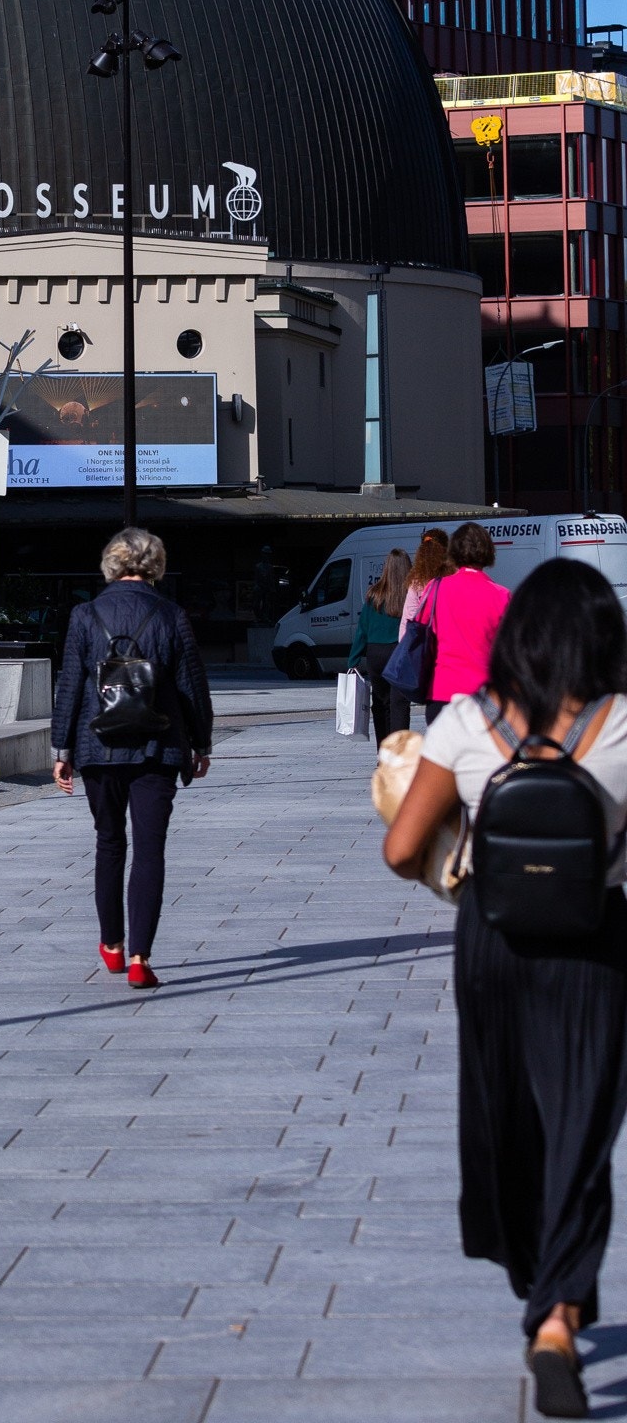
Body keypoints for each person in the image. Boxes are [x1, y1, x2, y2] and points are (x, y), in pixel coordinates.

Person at [383, 560, 627, 1418]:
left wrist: (457, 861)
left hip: (490, 940)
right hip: (594, 944)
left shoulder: (468, 721)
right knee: (582, 1122)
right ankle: (557, 1314)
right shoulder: (624, 724)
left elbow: (400, 848)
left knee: (507, 1119)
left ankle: (541, 1281)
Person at [51, 526, 214, 990]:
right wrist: (201, 743)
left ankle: (112, 946)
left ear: (112, 564)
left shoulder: (85, 615)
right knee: (150, 849)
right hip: (157, 747)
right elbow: (191, 687)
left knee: (108, 842)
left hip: (96, 748)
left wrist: (61, 749)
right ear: (155, 565)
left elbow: (69, 687)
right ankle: (142, 957)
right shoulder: (172, 616)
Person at [426, 520, 510, 720]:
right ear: (488, 551)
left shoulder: (435, 589)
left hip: (443, 690)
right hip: (486, 695)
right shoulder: (502, 596)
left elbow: (423, 634)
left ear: (453, 552)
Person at [348, 548, 412, 745]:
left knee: (380, 704)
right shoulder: (409, 595)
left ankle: (383, 753)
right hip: (399, 652)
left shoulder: (374, 594)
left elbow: (362, 630)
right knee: (399, 704)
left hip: (375, 653)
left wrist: (354, 659)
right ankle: (398, 753)